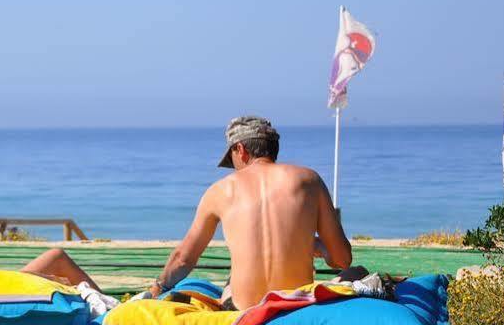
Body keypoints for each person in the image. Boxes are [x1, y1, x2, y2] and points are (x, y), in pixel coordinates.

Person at [141, 116, 353, 310]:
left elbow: (183, 259)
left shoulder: (220, 191)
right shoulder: (309, 180)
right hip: (297, 305)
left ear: (240, 150)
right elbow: (343, 260)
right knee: (357, 273)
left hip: (245, 310)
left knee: (231, 281)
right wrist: (319, 246)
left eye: (231, 158)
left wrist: (158, 287)